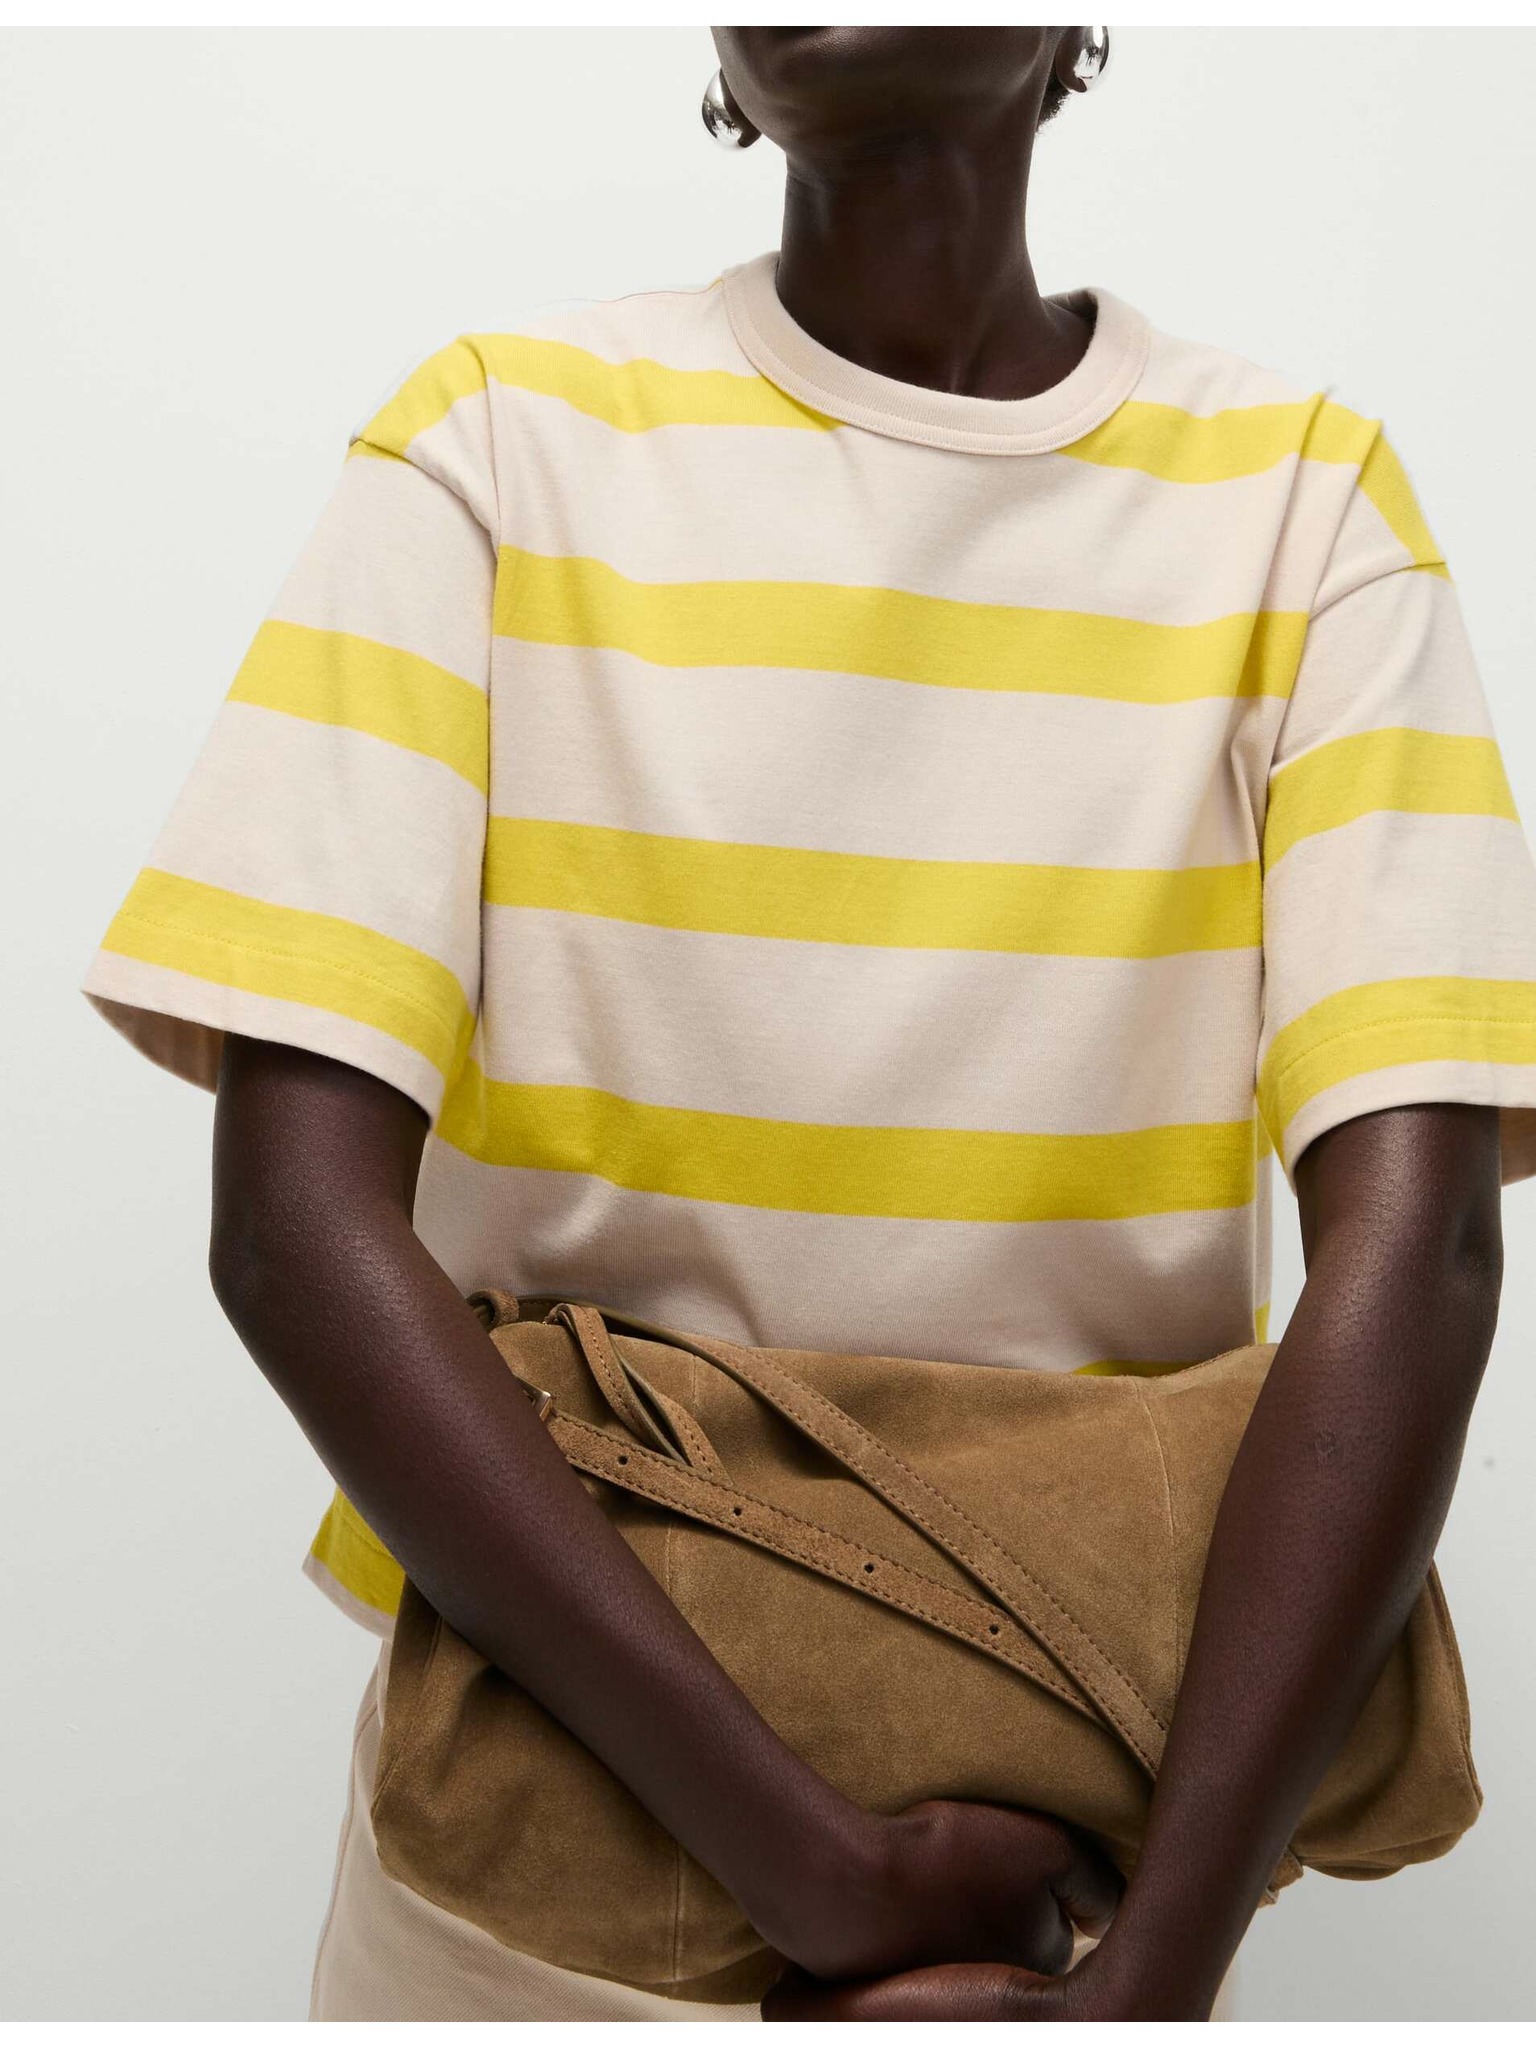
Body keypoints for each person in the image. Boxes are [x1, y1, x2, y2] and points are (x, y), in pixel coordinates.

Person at [81, 25, 1536, 2025]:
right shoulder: (495, 441)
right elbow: (290, 1233)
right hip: (565, 1868)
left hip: (1081, 1880)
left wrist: (1150, 1979)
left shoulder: (1304, 501)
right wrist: (835, 1875)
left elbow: (1427, 1245)